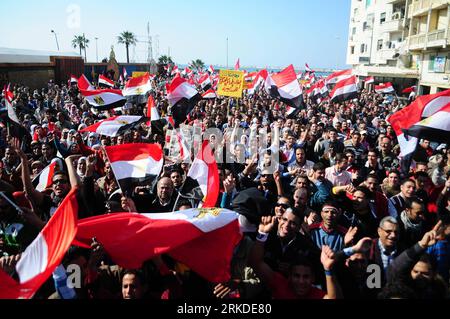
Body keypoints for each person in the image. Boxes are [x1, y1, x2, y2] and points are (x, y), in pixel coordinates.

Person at [249, 216, 343, 299]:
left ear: (312, 279)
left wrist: (328, 269)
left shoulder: (316, 294)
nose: (301, 281)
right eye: (296, 276)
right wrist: (262, 233)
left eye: (306, 277)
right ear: (289, 276)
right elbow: (256, 263)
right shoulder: (281, 284)